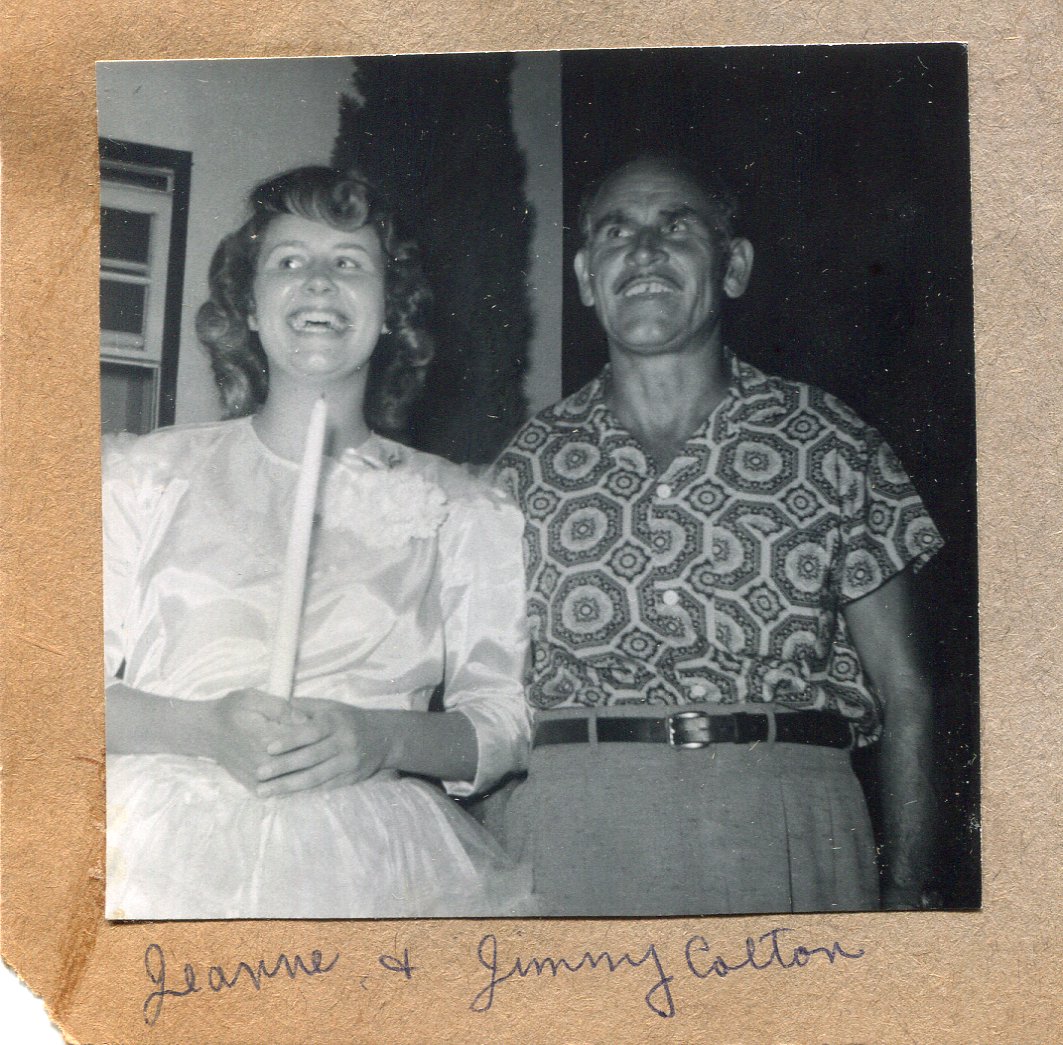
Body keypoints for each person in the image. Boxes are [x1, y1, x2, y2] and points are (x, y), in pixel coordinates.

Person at [495, 153, 942, 916]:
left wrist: (906, 889)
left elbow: (906, 694)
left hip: (789, 828)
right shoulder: (522, 466)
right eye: (615, 232)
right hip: (576, 833)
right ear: (584, 277)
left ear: (732, 266)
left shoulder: (831, 441)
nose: (643, 251)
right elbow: (492, 700)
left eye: (677, 227)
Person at [104, 165, 530, 919]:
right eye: (289, 260)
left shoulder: (464, 506)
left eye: (350, 262)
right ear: (249, 303)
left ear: (392, 309)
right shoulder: (143, 476)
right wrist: (205, 728)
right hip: (149, 846)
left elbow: (502, 724)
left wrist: (379, 739)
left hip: (375, 867)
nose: (320, 281)